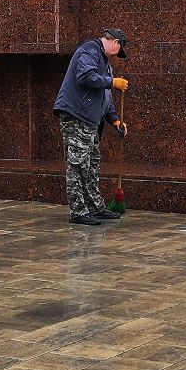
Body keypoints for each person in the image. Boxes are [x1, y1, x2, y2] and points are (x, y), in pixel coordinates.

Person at [53, 29, 129, 226]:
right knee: (77, 165)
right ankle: (78, 211)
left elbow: (105, 96)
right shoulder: (89, 51)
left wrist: (114, 120)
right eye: (118, 50)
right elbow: (85, 76)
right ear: (116, 42)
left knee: (92, 164)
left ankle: (94, 206)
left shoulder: (103, 61)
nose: (116, 55)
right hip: (76, 116)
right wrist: (112, 82)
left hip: (91, 121)